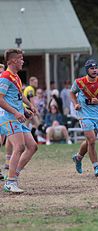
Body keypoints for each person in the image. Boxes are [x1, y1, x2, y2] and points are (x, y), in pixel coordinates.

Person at [0, 48, 38, 193]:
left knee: (33, 146)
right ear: (13, 60)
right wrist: (16, 112)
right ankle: (10, 182)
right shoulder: (5, 76)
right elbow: (0, 99)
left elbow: (18, 95)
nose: (23, 61)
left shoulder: (16, 76)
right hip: (8, 118)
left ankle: (14, 175)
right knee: (20, 146)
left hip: (16, 117)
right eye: (21, 59)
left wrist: (28, 107)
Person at [71, 59, 98, 177]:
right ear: (87, 70)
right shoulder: (79, 82)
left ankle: (78, 157)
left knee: (89, 140)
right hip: (84, 115)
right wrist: (75, 104)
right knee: (92, 140)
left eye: (96, 68)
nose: (95, 70)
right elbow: (72, 93)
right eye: (92, 68)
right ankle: (96, 166)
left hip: (97, 115)